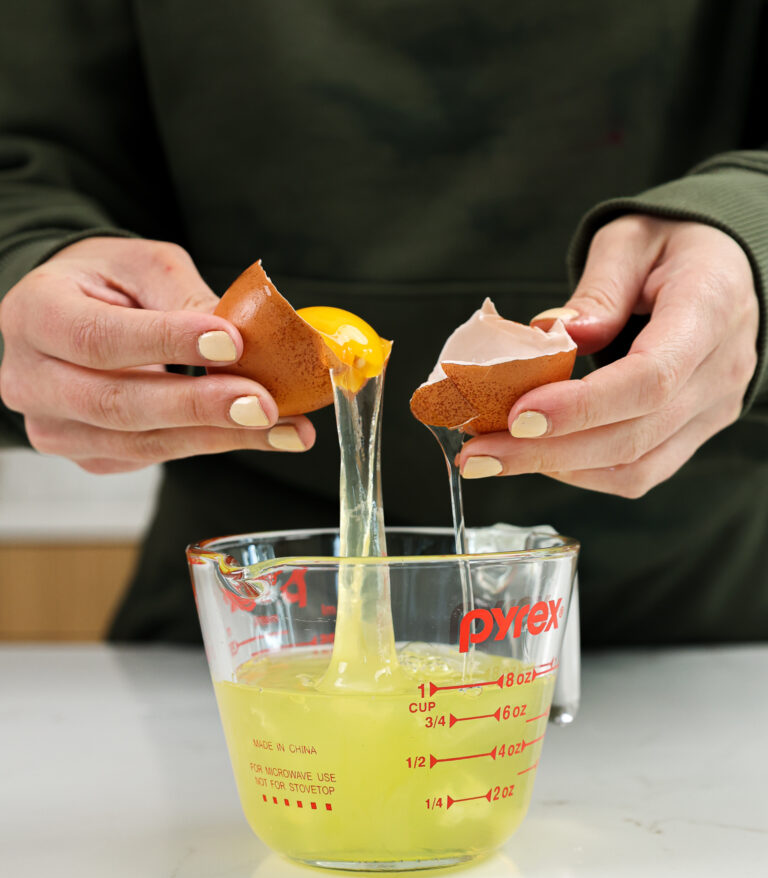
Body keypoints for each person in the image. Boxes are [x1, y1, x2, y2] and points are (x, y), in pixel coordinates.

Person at [0, 2, 766, 645]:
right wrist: (29, 272)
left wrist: (750, 233)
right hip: (247, 634)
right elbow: (23, 156)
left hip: (706, 630)